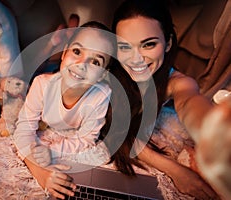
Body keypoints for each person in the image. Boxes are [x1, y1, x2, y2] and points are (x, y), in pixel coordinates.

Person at [108, 0, 230, 199]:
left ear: (168, 44)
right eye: (125, 47)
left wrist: (213, 128)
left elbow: (189, 102)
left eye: (148, 44)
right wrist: (176, 171)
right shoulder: (105, 71)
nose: (136, 58)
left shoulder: (178, 83)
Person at [13, 21, 116, 199]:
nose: (80, 64)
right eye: (77, 51)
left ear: (103, 74)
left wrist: (52, 151)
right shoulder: (41, 85)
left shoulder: (101, 95)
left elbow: (87, 138)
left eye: (95, 62)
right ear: (64, 52)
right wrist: (40, 172)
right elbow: (23, 130)